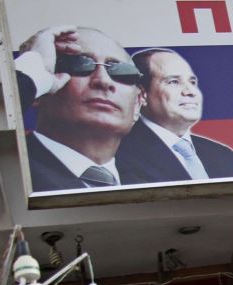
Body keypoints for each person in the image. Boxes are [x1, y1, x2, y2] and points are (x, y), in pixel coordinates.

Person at [14, 26, 146, 191]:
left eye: (122, 71)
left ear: (137, 105)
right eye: (80, 64)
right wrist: (29, 75)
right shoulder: (6, 166)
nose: (104, 81)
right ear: (40, 89)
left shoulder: (154, 178)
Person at [117, 48, 233, 183]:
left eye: (192, 82)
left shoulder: (222, 155)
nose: (190, 91)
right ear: (142, 94)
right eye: (173, 82)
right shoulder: (118, 153)